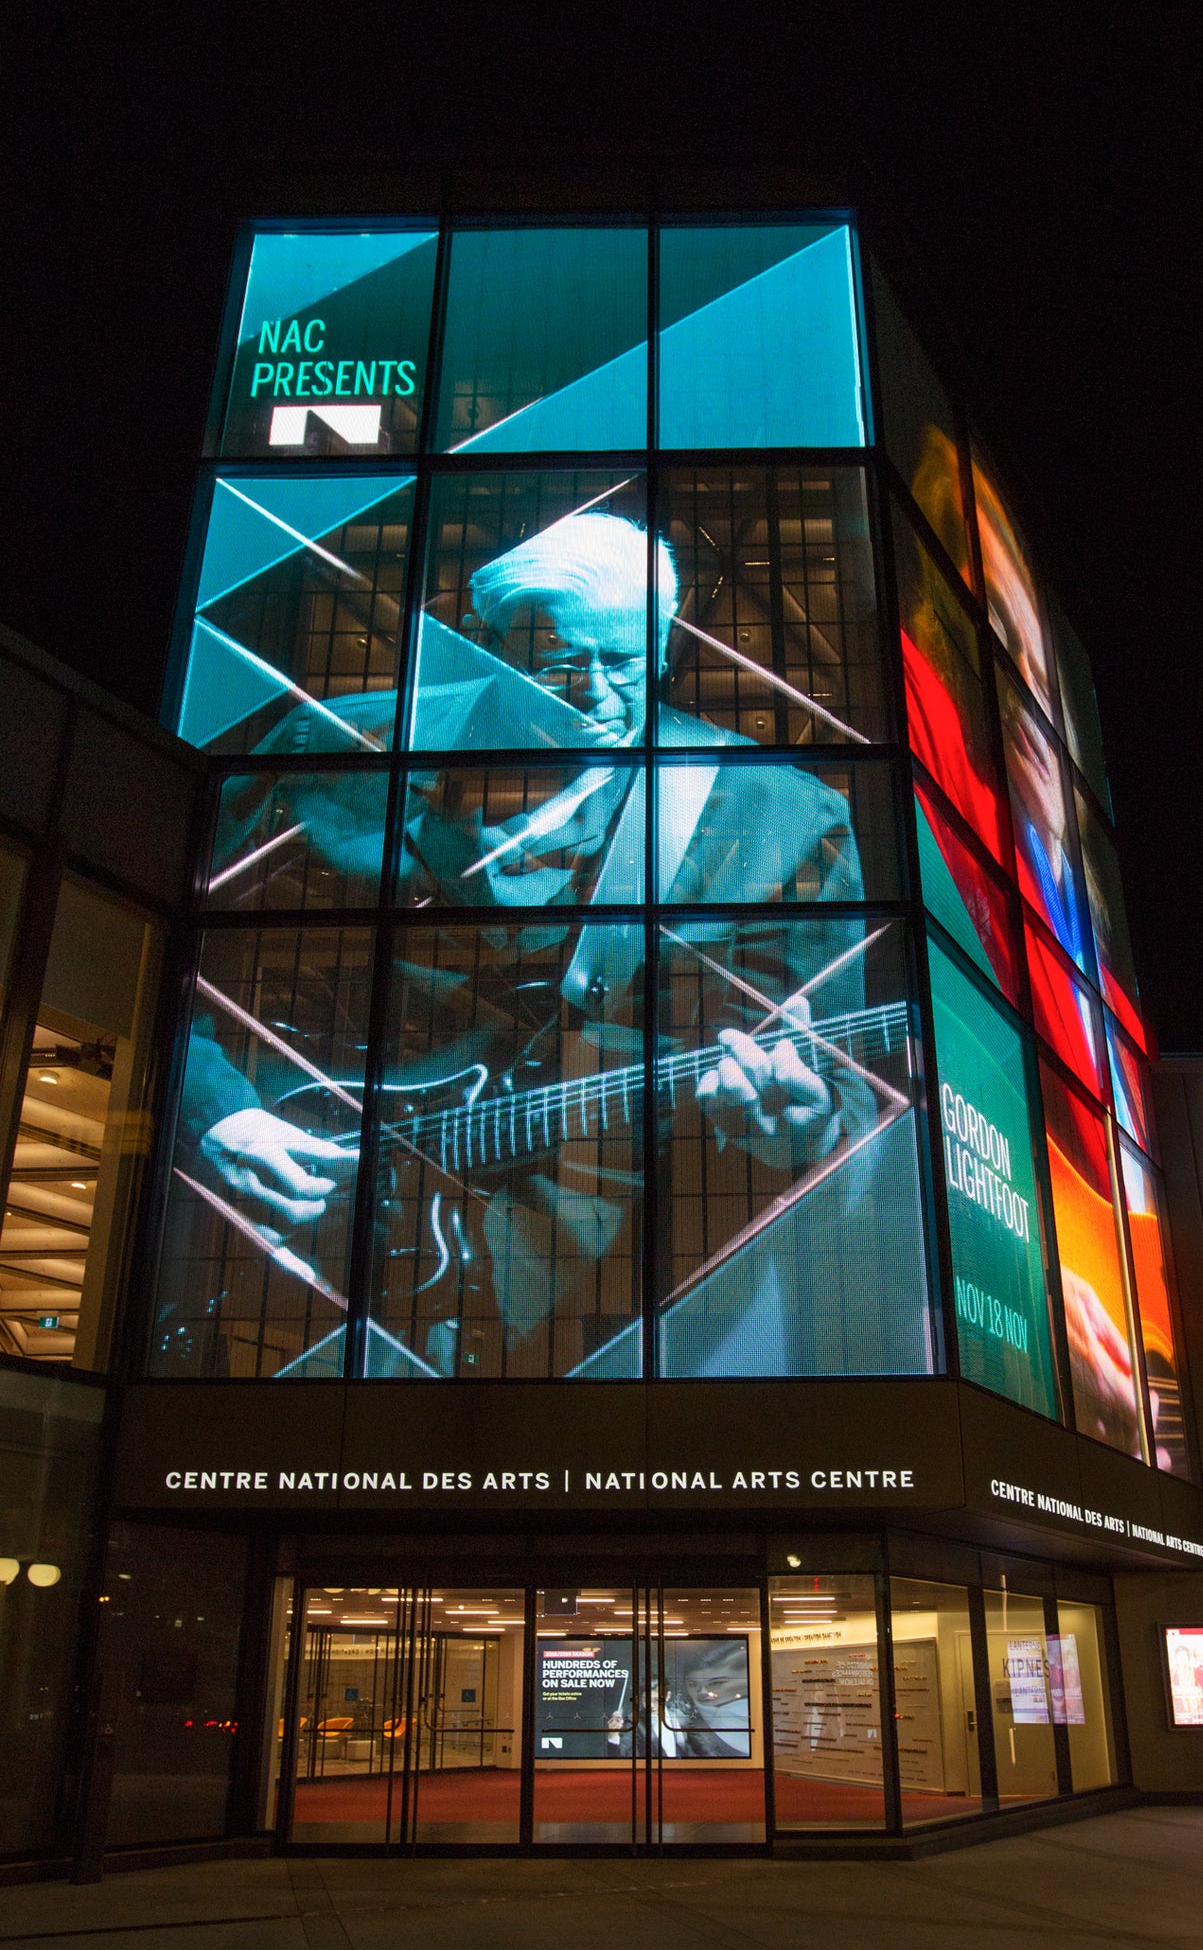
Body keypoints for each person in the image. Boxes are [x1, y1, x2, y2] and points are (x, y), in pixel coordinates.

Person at [175, 514, 875, 1369]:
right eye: (554, 664)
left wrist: (798, 1123)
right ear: (485, 642)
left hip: (598, 1316)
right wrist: (219, 1113)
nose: (589, 694)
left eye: (619, 662)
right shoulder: (336, 747)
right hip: (297, 1266)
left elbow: (837, 1095)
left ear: (660, 647)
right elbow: (163, 956)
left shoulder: (779, 816)